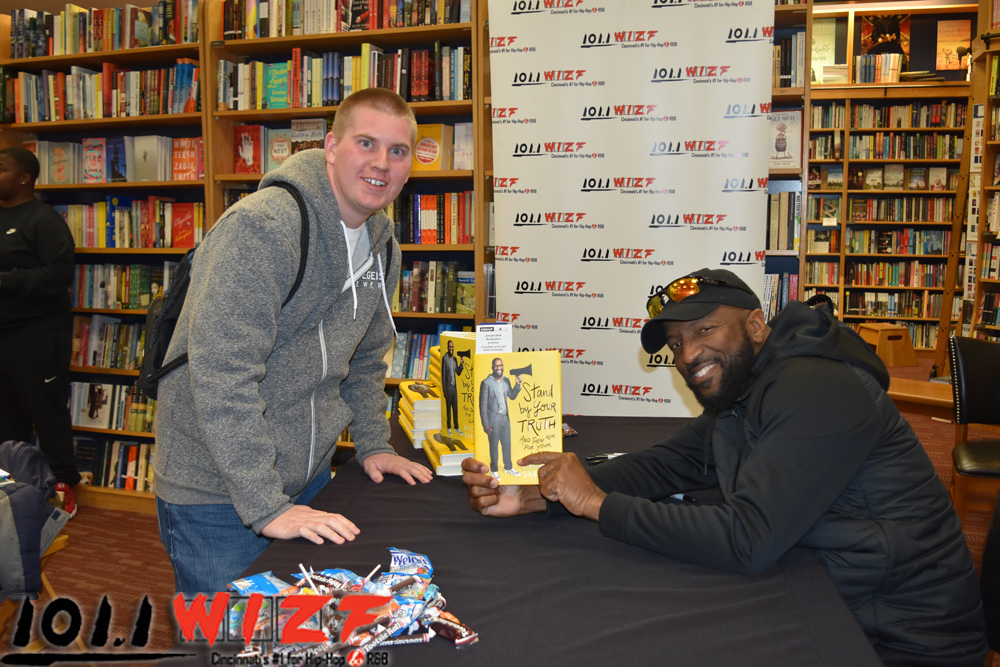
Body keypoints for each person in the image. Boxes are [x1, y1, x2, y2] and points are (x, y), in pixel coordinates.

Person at [463, 267, 988, 666]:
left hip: (899, 637)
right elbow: (668, 465)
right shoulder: (746, 389)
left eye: (705, 330)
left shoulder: (814, 386)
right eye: (676, 344)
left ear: (757, 326)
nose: (689, 354)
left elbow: (748, 538)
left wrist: (597, 503)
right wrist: (541, 493)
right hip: (827, 586)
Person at [153, 88, 433, 594]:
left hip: (306, 481)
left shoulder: (382, 242)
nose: (381, 163)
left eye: (398, 151)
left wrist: (372, 444)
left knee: (296, 635)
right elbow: (222, 374)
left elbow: (367, 359)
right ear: (330, 146)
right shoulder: (263, 227)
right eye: (365, 143)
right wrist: (265, 505)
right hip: (217, 494)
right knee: (229, 642)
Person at [0, 147, 80, 518]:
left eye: (1, 169)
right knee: (6, 416)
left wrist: (7, 281)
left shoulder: (43, 220)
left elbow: (59, 275)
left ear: (24, 178)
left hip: (38, 333)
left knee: (46, 412)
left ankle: (62, 486)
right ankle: (13, 488)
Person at [478, 357, 522, 479]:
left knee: (507, 444)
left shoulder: (506, 380)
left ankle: (508, 468)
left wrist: (517, 385)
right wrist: (485, 423)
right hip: (493, 420)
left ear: (503, 366)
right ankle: (494, 470)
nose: (499, 368)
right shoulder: (486, 383)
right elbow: (482, 405)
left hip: (505, 419)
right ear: (492, 368)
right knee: (494, 445)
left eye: (500, 365)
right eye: (496, 366)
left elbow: (512, 396)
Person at [441, 340, 465, 435]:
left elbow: (458, 373)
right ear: (447, 348)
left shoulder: (455, 359)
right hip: (448, 388)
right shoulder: (445, 359)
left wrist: (461, 364)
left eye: (452, 347)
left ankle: (456, 427)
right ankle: (449, 427)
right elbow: (443, 375)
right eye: (449, 347)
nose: (451, 348)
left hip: (454, 388)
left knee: (455, 408)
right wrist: (444, 390)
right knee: (448, 409)